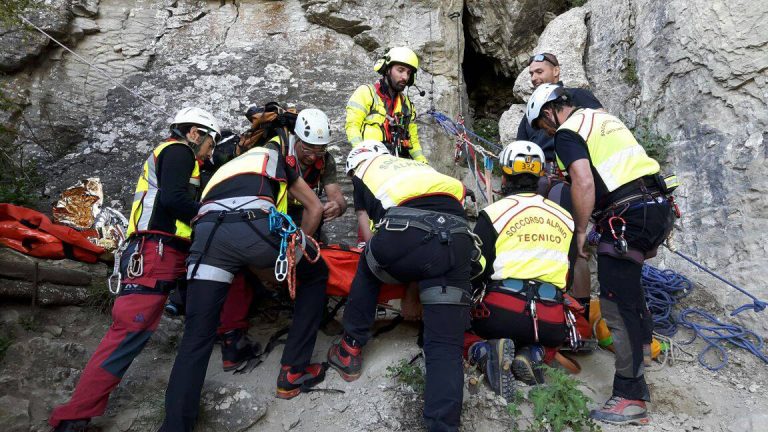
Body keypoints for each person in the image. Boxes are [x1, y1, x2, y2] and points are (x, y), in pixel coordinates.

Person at [49, 107, 222, 432]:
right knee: (128, 332)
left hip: (161, 252)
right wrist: (211, 211)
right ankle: (73, 416)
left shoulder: (174, 154)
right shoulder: (179, 150)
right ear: (196, 133)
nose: (209, 152)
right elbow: (173, 200)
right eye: (210, 143)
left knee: (132, 330)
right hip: (155, 251)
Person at [526, 84, 675, 426]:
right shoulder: (604, 118)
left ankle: (630, 396)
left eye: (545, 127)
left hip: (627, 215)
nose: (549, 133)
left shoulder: (567, 131)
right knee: (630, 294)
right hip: (656, 207)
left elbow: (583, 182)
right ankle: (642, 354)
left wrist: (580, 231)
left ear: (550, 112)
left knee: (616, 308)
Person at [159, 134, 329, 431]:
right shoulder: (273, 156)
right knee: (315, 274)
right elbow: (314, 208)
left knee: (196, 336)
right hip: (253, 222)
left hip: (208, 232)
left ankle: (175, 426)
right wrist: (291, 258)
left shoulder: (222, 170)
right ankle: (294, 372)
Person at [327, 140, 475, 431]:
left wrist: (379, 259)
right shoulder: (418, 167)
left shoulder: (363, 170)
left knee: (368, 264)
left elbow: (368, 233)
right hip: (457, 237)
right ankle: (442, 425)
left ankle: (351, 347)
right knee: (445, 345)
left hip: (406, 230)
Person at [466, 141, 575, 400]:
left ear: (504, 177)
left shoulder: (493, 213)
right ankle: (533, 354)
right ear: (539, 177)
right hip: (549, 320)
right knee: (552, 337)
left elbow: (476, 270)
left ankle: (484, 351)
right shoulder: (566, 218)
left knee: (454, 326)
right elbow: (567, 278)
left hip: (500, 313)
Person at [517, 52, 603, 321]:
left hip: (568, 180)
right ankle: (540, 307)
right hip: (538, 180)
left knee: (570, 247)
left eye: (540, 71)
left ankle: (580, 317)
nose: (534, 77)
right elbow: (520, 148)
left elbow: (599, 128)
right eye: (531, 73)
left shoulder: (577, 98)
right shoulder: (531, 111)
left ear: (556, 71)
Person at [270, 108, 347, 240]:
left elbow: (337, 197)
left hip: (304, 214)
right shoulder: (276, 150)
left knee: (320, 246)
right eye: (307, 149)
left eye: (319, 151)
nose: (312, 157)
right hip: (273, 213)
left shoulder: (325, 160)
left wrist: (337, 207)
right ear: (297, 139)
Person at [345, 47, 428, 163]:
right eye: (400, 70)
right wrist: (362, 156)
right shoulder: (366, 93)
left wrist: (423, 163)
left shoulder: (407, 106)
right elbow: (352, 127)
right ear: (388, 69)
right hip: (370, 163)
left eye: (408, 73)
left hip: (398, 165)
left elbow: (413, 141)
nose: (405, 77)